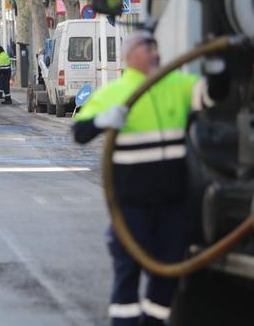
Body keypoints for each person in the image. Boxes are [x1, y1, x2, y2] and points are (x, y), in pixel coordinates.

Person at [71, 30, 225, 326]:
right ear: (130, 56)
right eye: (147, 48)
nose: (155, 53)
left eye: (156, 47)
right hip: (131, 204)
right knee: (128, 270)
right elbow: (79, 133)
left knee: (167, 271)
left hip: (172, 203)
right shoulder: (114, 93)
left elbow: (214, 93)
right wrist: (101, 120)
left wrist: (217, 66)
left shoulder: (176, 85)